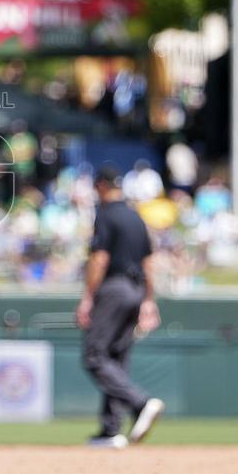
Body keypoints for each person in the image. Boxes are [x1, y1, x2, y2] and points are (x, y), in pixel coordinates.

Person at [75, 165, 164, 448]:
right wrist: (149, 299)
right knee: (117, 358)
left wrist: (88, 296)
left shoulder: (106, 214)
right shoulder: (136, 217)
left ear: (101, 186)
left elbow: (99, 259)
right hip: (137, 289)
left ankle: (141, 403)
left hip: (114, 288)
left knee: (94, 355)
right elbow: (149, 263)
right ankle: (110, 431)